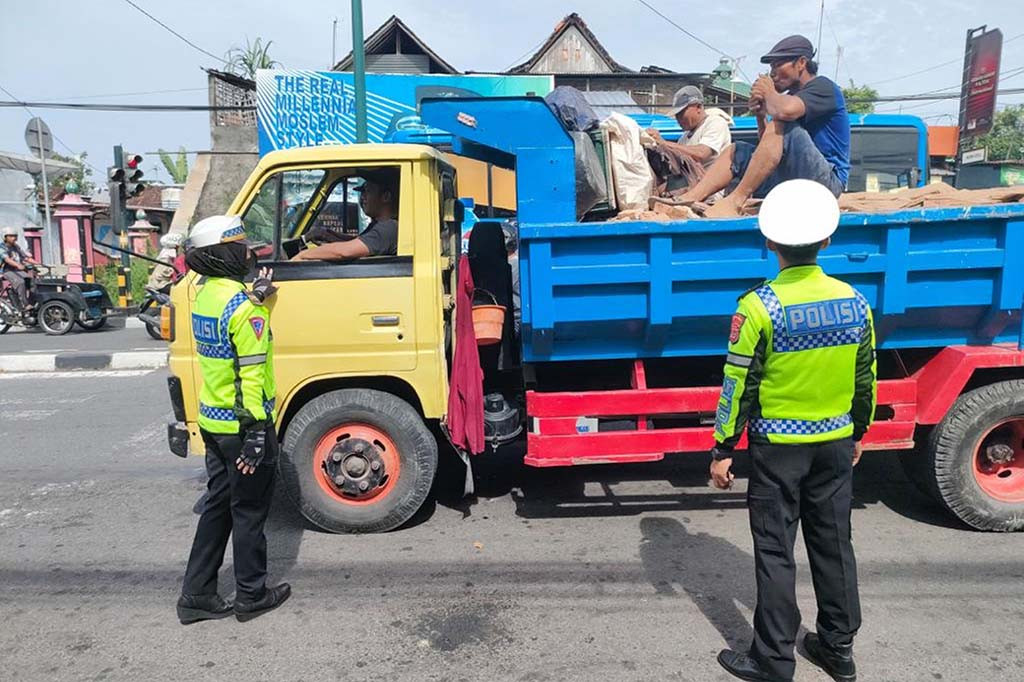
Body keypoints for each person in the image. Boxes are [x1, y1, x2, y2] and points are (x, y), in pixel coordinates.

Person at [710, 179, 875, 682]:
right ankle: (838, 648)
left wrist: (721, 448)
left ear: (769, 242)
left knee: (776, 550)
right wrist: (858, 433)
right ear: (827, 241)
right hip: (834, 444)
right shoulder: (854, 303)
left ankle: (773, 659)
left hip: (779, 450)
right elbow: (866, 378)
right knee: (833, 543)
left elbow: (737, 385)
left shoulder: (758, 307)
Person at [177, 215, 290, 625]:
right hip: (244, 428)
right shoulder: (243, 308)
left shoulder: (203, 295)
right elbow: (251, 373)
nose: (248, 253)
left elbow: (229, 338)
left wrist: (260, 298)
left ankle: (196, 594)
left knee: (218, 508)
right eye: (240, 247)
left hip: (213, 422)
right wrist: (258, 432)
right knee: (248, 512)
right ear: (224, 254)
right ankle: (252, 595)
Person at [677, 35, 851, 218]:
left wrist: (769, 92)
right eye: (771, 67)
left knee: (782, 123)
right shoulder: (789, 98)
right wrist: (760, 116)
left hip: (826, 183)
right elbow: (768, 149)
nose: (773, 73)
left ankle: (735, 200)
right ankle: (689, 199)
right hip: (792, 178)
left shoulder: (823, 87)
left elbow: (785, 114)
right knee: (737, 151)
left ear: (801, 62)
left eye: (778, 65)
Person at [292, 172, 399, 261]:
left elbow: (344, 252)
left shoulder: (388, 229)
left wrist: (303, 255)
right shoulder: (380, 226)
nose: (362, 198)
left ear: (386, 197)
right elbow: (358, 241)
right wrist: (326, 234)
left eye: (367, 191)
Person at [646, 85, 733, 171]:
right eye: (676, 115)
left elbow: (701, 154)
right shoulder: (684, 138)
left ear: (698, 107)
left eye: (681, 113)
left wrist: (663, 143)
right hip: (695, 182)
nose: (678, 118)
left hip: (715, 183)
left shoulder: (715, 123)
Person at [1, 226, 37, 314]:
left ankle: (31, 303)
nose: (14, 238)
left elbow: (25, 257)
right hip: (6, 271)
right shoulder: (2, 247)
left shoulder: (16, 246)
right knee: (20, 282)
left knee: (32, 282)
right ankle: (24, 305)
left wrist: (38, 264)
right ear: (5, 237)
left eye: (15, 236)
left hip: (17, 270)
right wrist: (18, 265)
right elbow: (7, 259)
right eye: (11, 236)